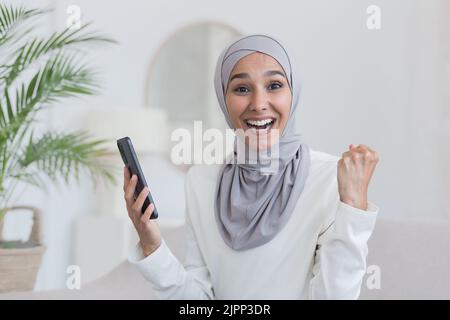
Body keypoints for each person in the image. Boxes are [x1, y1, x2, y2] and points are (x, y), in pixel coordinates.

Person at [125, 34, 380, 299]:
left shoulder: (330, 179)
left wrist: (353, 207)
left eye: (274, 85)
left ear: (293, 93)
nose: (258, 104)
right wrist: (151, 244)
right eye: (242, 89)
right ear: (223, 99)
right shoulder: (201, 180)